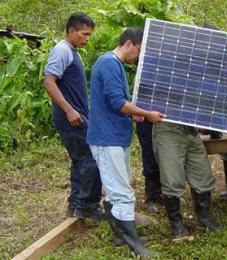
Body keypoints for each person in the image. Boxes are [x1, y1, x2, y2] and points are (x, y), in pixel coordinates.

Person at [87, 27, 164, 257]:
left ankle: (122, 236)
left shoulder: (114, 64)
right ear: (129, 44)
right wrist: (146, 113)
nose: (138, 56)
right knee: (122, 193)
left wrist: (134, 113)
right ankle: (136, 246)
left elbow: (119, 103)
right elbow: (117, 101)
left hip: (115, 136)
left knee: (114, 189)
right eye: (138, 50)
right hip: (106, 138)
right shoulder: (109, 63)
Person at [43, 12, 103, 220]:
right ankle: (88, 207)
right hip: (70, 118)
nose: (87, 39)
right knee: (91, 161)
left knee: (80, 161)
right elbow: (49, 82)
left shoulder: (72, 50)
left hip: (77, 116)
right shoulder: (62, 50)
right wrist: (69, 110)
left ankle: (76, 205)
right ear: (71, 30)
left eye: (89, 35)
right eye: (84, 34)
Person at [152, 120, 219, 238]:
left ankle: (203, 217)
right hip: (167, 128)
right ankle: (176, 222)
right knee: (172, 179)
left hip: (190, 127)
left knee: (203, 174)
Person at [136, 120, 162, 214]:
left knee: (163, 162)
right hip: (146, 124)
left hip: (163, 125)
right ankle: (150, 198)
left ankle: (160, 193)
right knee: (150, 162)